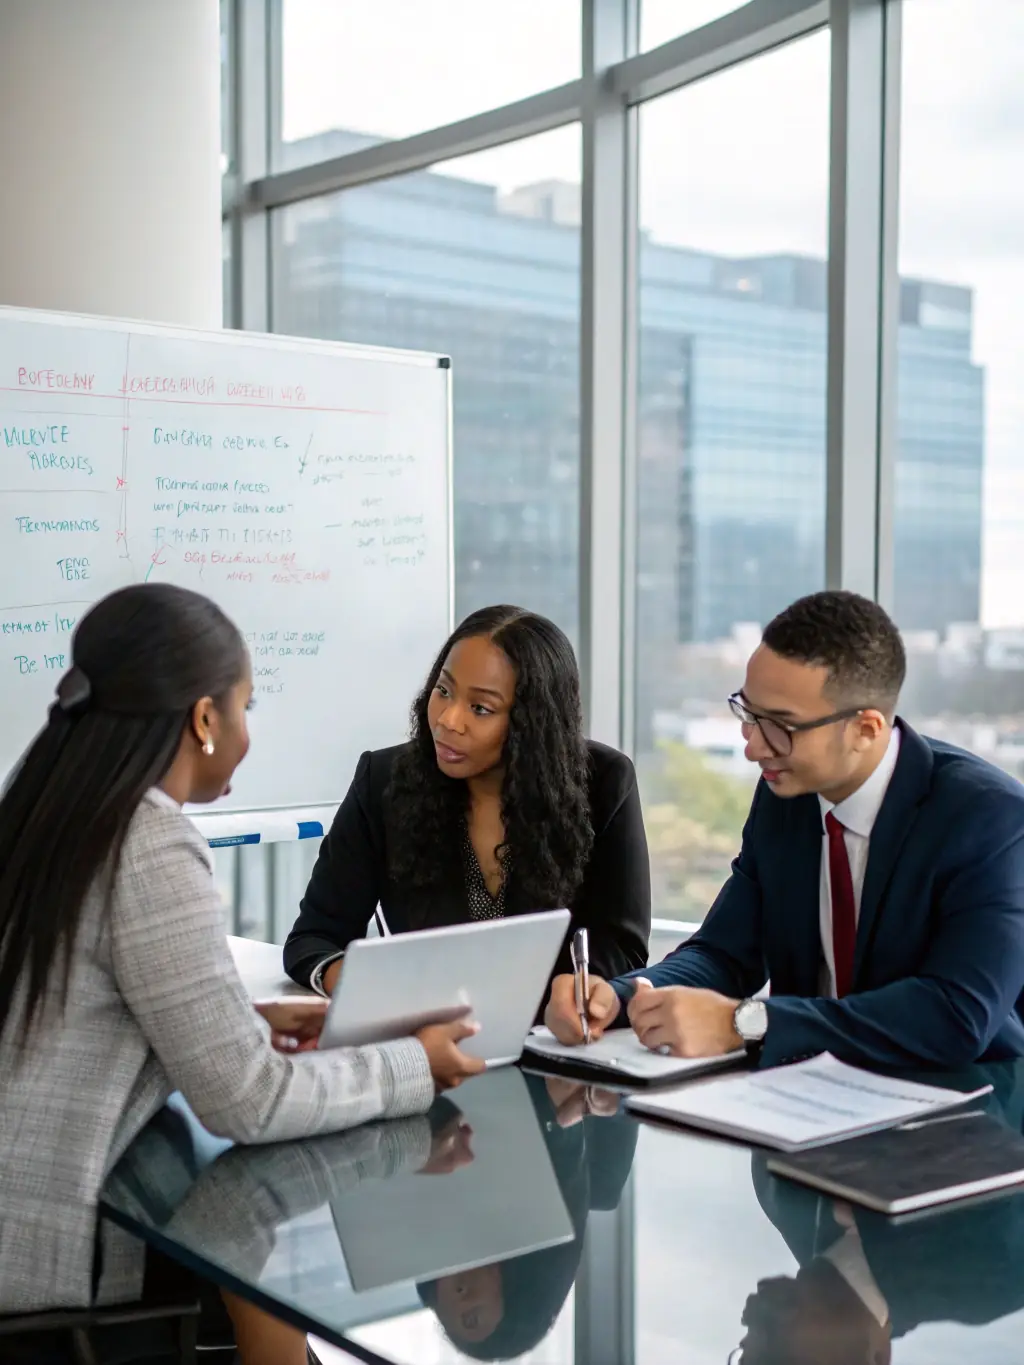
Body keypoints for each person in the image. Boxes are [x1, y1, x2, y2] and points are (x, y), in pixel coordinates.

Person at [0, 584, 483, 1365]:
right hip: (52, 1274)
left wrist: (242, 1017)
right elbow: (249, 1100)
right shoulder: (149, 839)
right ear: (202, 718)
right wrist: (415, 1065)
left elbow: (77, 1005)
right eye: (246, 706)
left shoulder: (51, 802)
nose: (246, 730)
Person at [546, 590, 1024, 1071]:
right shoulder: (786, 797)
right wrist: (620, 995)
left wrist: (746, 1024)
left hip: (961, 1110)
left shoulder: (990, 819)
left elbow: (957, 1015)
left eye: (779, 725)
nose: (753, 747)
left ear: (866, 729)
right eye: (749, 713)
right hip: (798, 1102)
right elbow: (725, 954)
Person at [285, 604, 651, 998]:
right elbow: (315, 939)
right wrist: (369, 989)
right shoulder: (383, 780)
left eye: (480, 708)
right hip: (424, 1037)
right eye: (443, 691)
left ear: (533, 722)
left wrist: (568, 999)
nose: (447, 720)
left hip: (553, 1036)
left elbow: (623, 950)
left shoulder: (605, 782)